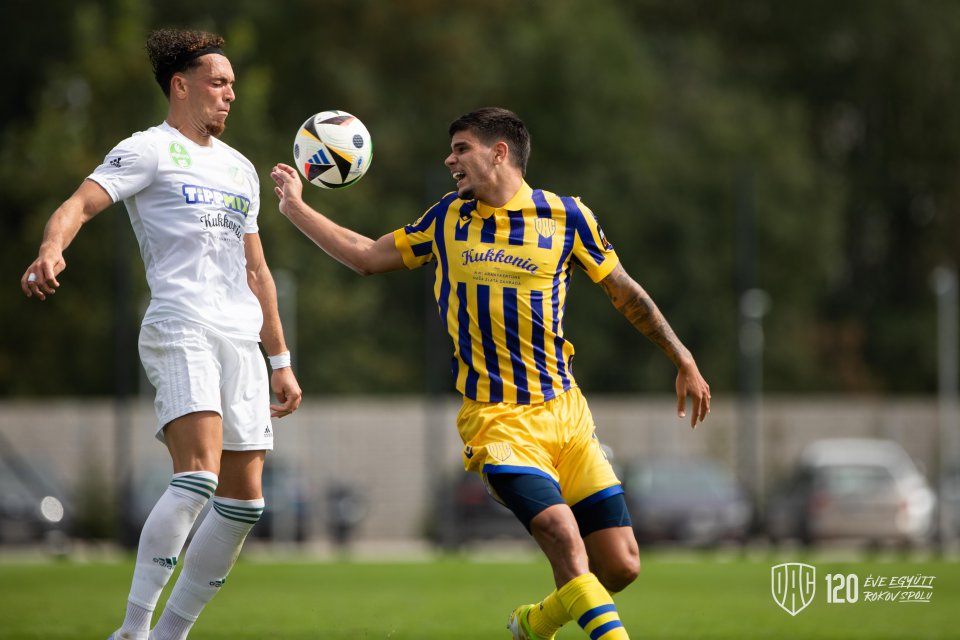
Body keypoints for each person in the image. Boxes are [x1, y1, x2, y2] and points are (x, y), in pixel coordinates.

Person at [270, 107, 710, 640]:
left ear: (499, 153)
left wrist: (682, 357)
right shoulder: (447, 219)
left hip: (568, 417)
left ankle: (534, 623)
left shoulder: (567, 216)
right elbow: (366, 255)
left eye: (461, 148)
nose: (449, 159)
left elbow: (623, 291)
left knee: (620, 566)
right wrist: (296, 208)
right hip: (497, 421)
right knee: (561, 534)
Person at [21, 29, 302, 640]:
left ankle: (170, 634)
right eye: (219, 82)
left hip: (241, 341)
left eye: (233, 84)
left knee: (245, 503)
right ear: (181, 85)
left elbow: (257, 271)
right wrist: (50, 248)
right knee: (197, 477)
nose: (230, 94)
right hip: (182, 324)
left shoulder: (240, 169)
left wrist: (279, 358)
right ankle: (133, 629)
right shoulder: (148, 149)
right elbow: (79, 205)